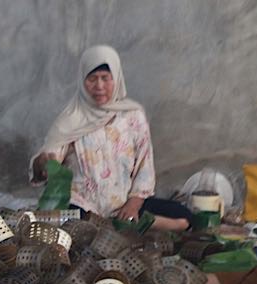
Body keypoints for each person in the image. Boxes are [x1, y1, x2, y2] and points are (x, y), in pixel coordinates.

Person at [31, 45, 191, 232]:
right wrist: (43, 164)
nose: (99, 86)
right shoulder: (70, 120)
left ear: (116, 79)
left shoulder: (133, 116)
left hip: (122, 204)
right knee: (73, 224)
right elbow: (50, 160)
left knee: (184, 216)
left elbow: (144, 169)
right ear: (82, 81)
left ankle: (123, 223)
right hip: (82, 206)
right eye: (92, 79)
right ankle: (123, 227)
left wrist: (133, 205)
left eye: (105, 79)